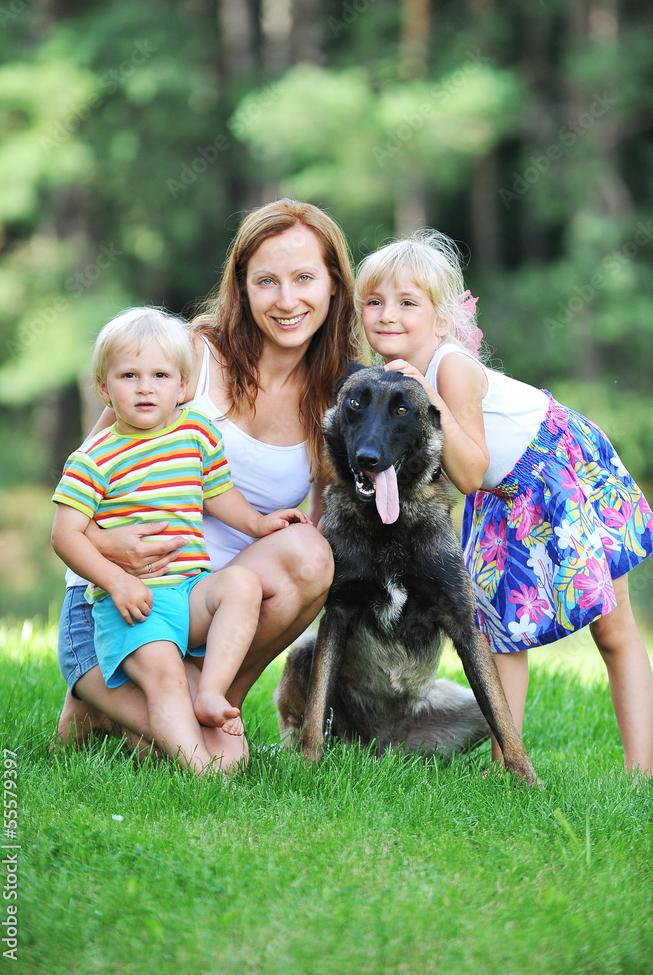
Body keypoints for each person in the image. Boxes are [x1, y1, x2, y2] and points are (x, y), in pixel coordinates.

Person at [54, 198, 367, 772]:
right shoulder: (187, 358)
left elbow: (324, 546)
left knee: (310, 553)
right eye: (266, 280)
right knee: (205, 761)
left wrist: (418, 385)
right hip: (124, 601)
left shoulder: (334, 399)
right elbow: (87, 471)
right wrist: (108, 547)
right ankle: (99, 692)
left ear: (333, 287)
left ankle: (215, 698)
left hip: (208, 607)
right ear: (242, 286)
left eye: (304, 278)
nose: (287, 299)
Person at [355, 229, 653, 776]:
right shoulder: (392, 380)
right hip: (503, 496)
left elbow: (467, 471)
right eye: (373, 302)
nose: (386, 315)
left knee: (612, 628)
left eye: (406, 302)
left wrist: (431, 400)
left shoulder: (450, 369)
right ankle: (505, 770)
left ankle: (643, 774)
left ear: (441, 319)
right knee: (498, 636)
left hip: (558, 468)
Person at [52, 307, 311, 774]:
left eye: (160, 375)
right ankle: (200, 772)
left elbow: (219, 495)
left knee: (241, 585)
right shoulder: (94, 457)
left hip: (188, 592)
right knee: (173, 692)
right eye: (129, 375)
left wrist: (258, 524)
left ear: (183, 386)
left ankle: (213, 690)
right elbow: (64, 534)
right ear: (104, 389)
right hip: (135, 604)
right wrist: (116, 581)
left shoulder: (194, 432)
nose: (146, 387)